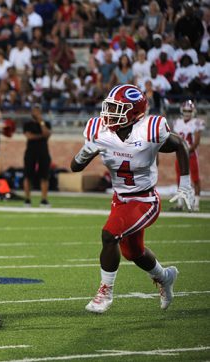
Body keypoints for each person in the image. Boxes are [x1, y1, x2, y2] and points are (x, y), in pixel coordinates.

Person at [70, 84, 195, 314]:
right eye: (109, 107)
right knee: (133, 252)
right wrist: (83, 154)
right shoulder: (99, 130)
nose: (108, 113)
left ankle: (105, 291)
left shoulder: (148, 130)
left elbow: (180, 145)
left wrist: (185, 185)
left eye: (116, 108)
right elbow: (75, 167)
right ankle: (165, 277)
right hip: (120, 199)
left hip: (145, 200)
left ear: (133, 112)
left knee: (109, 235)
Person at [173, 100, 205, 211]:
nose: (187, 112)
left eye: (189, 110)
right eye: (185, 110)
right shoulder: (178, 122)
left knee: (195, 178)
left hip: (191, 155)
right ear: (182, 111)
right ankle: (180, 202)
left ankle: (196, 203)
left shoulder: (196, 122)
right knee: (179, 179)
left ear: (193, 111)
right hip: (180, 155)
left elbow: (196, 142)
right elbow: (176, 139)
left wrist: (186, 151)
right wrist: (180, 151)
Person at [23, 104, 52, 207]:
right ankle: (27, 199)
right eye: (34, 111)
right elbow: (29, 136)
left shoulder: (45, 123)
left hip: (43, 151)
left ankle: (44, 199)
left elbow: (47, 133)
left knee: (44, 176)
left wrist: (41, 122)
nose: (36, 113)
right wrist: (41, 136)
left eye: (38, 111)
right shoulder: (27, 124)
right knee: (28, 176)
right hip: (31, 152)